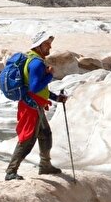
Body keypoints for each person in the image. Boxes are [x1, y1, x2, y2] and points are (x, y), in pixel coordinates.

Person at [5, 31, 68, 181]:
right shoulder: (37, 63)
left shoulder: (33, 59)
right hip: (31, 107)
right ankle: (11, 172)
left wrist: (55, 97)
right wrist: (50, 75)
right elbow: (34, 87)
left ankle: (45, 166)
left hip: (34, 105)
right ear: (39, 45)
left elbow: (40, 88)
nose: (50, 48)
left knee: (45, 134)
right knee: (27, 138)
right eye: (47, 44)